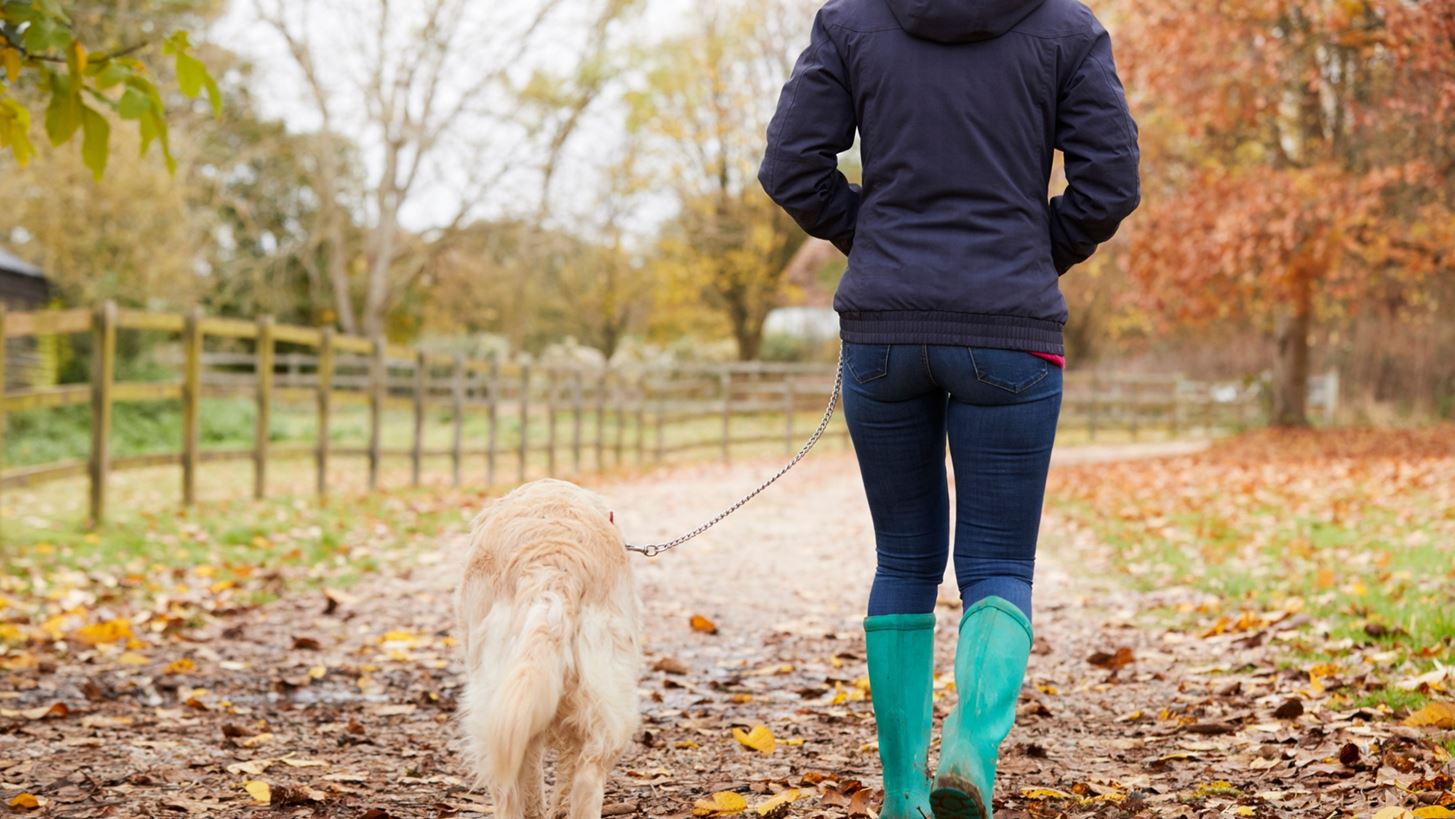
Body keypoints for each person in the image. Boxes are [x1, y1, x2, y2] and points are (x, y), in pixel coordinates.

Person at [758, 0, 1140, 816]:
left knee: (902, 560)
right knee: (998, 561)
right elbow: (1110, 181)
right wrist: (1035, 252)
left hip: (884, 337)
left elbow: (790, 163)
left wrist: (875, 236)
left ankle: (902, 798)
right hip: (1010, 334)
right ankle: (968, 746)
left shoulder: (852, 23)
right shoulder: (1067, 31)